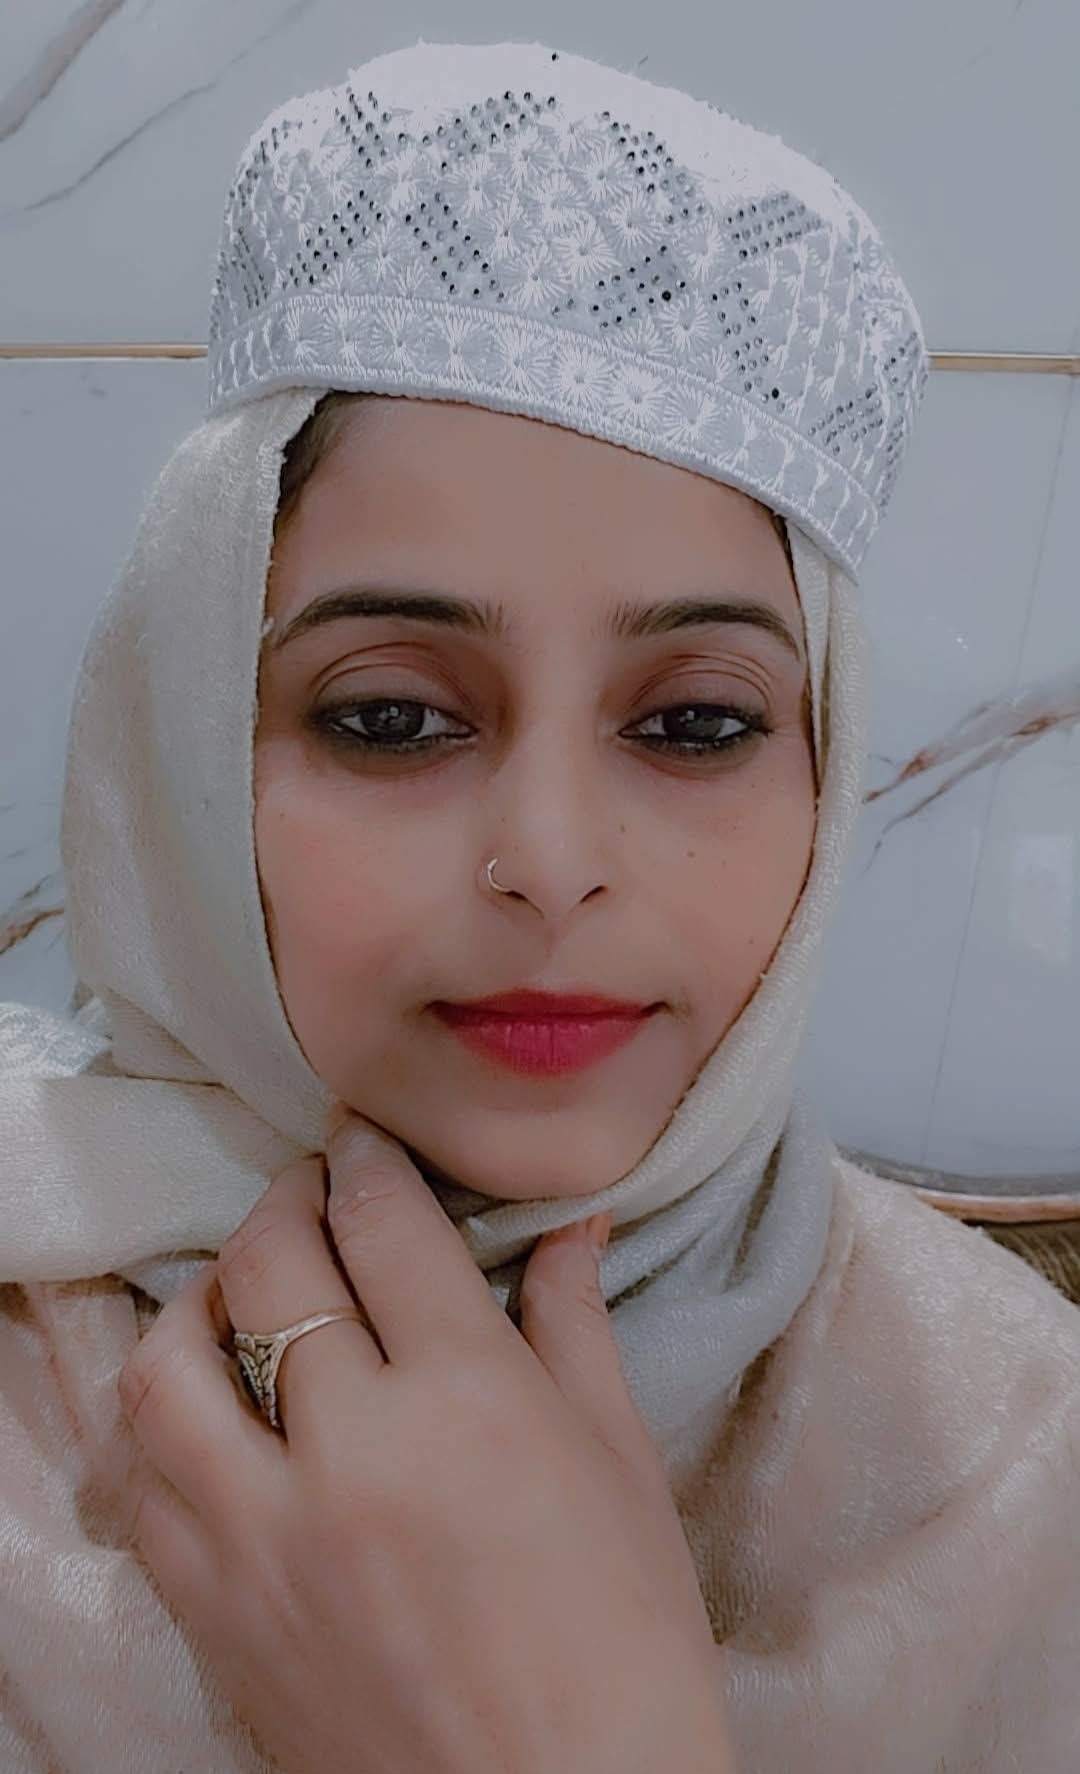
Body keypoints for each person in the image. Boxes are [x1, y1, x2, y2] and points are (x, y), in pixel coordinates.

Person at [0, 36, 1077, 1773]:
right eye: (389, 719)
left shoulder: (1023, 1449)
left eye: (696, 724)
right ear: (182, 743)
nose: (552, 856)